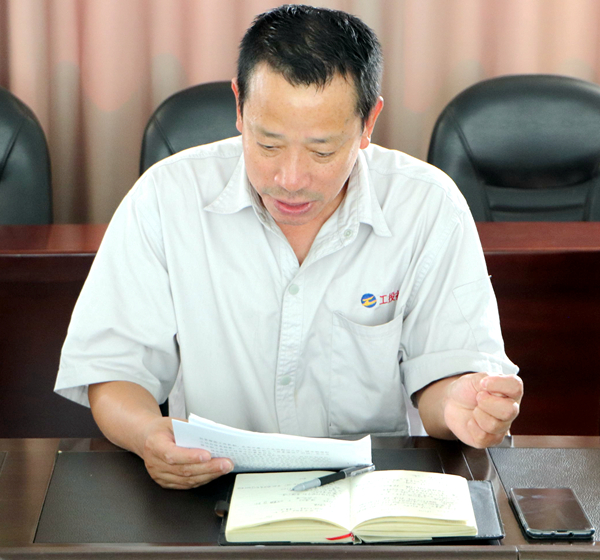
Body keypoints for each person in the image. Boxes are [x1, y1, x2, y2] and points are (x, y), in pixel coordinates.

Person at [55, 5, 523, 490]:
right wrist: (147, 434)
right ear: (239, 107)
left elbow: (445, 376)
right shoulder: (165, 197)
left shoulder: (428, 205)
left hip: (370, 497)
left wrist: (462, 404)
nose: (291, 179)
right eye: (269, 144)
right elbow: (115, 369)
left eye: (322, 150)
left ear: (369, 122)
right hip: (212, 488)